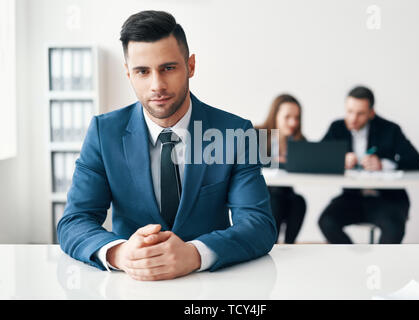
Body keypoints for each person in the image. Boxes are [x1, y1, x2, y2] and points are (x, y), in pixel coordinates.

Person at [57, 10, 277, 281]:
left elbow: (259, 225)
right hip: (131, 285)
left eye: (168, 68)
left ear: (191, 66)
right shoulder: (104, 133)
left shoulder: (236, 132)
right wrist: (121, 253)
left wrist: (194, 254)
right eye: (142, 71)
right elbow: (74, 221)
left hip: (212, 286)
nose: (156, 85)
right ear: (128, 73)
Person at [319, 86, 419, 244]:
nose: (353, 118)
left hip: (388, 200)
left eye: (360, 113)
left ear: (371, 113)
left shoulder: (390, 129)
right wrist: (339, 159)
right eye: (349, 111)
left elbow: (417, 162)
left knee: (394, 227)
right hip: (352, 198)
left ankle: (381, 267)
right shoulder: (337, 128)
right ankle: (354, 263)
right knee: (327, 222)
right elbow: (318, 157)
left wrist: (383, 165)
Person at [256, 94, 307, 244]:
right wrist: (273, 162)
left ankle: (289, 246)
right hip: (262, 193)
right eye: (288, 117)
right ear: (275, 116)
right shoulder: (256, 135)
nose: (293, 122)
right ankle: (271, 244)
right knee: (275, 201)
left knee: (299, 202)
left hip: (286, 194)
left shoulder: (300, 142)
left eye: (297, 118)